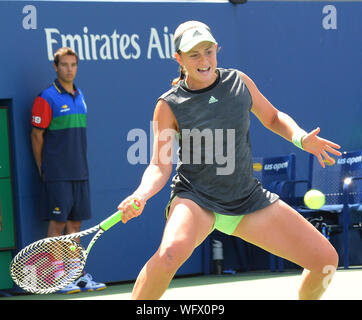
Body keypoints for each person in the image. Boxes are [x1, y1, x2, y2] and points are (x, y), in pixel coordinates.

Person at [117, 21, 342, 300]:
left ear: (216, 50)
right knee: (169, 254)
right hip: (196, 199)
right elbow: (159, 165)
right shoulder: (168, 104)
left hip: (246, 199)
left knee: (326, 261)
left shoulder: (239, 82)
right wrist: (141, 194)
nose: (204, 60)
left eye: (208, 51)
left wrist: (300, 137)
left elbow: (272, 117)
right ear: (179, 58)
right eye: (194, 54)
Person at [30, 47, 106, 294]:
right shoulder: (46, 98)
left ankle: (77, 275)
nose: (69, 69)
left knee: (75, 226)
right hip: (57, 174)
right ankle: (59, 278)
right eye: (64, 64)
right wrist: (44, 168)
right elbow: (37, 136)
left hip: (79, 173)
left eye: (73, 64)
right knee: (57, 225)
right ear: (56, 67)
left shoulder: (80, 95)